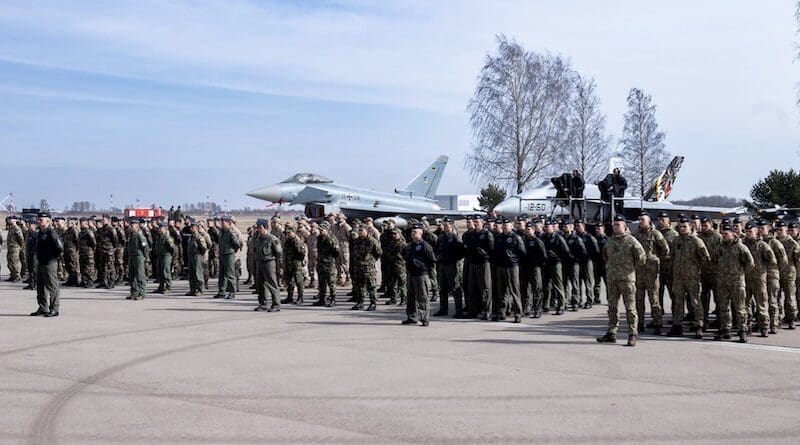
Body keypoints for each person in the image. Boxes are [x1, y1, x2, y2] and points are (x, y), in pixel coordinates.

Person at [597, 215, 646, 346]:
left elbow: (641, 258)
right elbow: (605, 256)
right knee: (612, 307)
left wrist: (629, 268)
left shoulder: (631, 241)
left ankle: (632, 334)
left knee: (630, 308)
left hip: (627, 279)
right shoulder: (610, 241)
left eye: (618, 224)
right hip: (612, 279)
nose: (615, 226)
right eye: (614, 224)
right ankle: (611, 333)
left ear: (624, 226)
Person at [668, 217, 711, 339]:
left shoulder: (696, 241)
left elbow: (705, 258)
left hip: (692, 277)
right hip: (678, 277)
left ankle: (699, 325)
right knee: (678, 302)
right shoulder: (676, 241)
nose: (682, 229)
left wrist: (696, 268)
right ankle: (677, 325)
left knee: (695, 302)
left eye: (684, 227)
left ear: (690, 227)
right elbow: (672, 256)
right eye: (680, 227)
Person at [715, 224, 754, 342]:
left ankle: (743, 330)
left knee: (740, 307)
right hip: (722, 282)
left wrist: (739, 274)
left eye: (726, 234)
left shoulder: (740, 247)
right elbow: (714, 260)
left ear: (734, 234)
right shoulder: (720, 247)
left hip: (737, 282)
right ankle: (725, 330)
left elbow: (750, 263)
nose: (723, 236)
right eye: (722, 234)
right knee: (723, 307)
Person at [632, 212, 669, 335]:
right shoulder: (635, 235)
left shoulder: (656, 234)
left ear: (649, 221)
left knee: (654, 299)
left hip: (652, 272)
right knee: (639, 299)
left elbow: (665, 250)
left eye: (643, 219)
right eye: (639, 220)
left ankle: (657, 323)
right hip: (639, 271)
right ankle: (640, 323)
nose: (640, 222)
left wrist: (655, 259)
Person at [401, 224, 436, 326]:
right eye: (412, 232)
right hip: (411, 274)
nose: (413, 233)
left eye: (415, 232)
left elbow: (432, 260)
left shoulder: (425, 246)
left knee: (422, 297)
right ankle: (412, 317)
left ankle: (424, 318)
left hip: (421, 275)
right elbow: (404, 255)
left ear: (421, 233)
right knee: (410, 297)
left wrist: (424, 269)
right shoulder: (409, 246)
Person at [492, 218, 526, 323]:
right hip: (501, 266)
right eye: (503, 225)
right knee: (501, 291)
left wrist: (515, 261)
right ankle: (501, 312)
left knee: (514, 291)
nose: (504, 227)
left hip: (512, 266)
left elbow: (522, 252)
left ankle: (517, 313)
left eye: (507, 225)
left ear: (511, 226)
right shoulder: (499, 237)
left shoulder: (516, 237)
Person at [30, 212, 63, 317]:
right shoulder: (39, 232)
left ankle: (54, 309)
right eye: (38, 219)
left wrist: (54, 257)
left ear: (48, 221)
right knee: (40, 287)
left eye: (41, 219)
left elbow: (60, 247)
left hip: (50, 263)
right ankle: (43, 307)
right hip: (41, 262)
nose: (39, 221)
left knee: (52, 286)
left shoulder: (51, 232)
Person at [434, 217, 466, 317]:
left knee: (455, 288)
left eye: (447, 225)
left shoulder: (456, 237)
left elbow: (462, 251)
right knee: (442, 288)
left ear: (451, 225)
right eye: (444, 225)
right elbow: (437, 249)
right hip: (443, 265)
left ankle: (459, 310)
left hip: (453, 265)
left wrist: (455, 259)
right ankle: (443, 309)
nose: (445, 227)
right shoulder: (441, 237)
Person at [464, 216, 494, 320]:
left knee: (485, 288)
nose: (475, 223)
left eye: (477, 222)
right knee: (472, 287)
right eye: (474, 222)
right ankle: (473, 310)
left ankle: (486, 310)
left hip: (483, 263)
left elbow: (492, 250)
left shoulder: (487, 234)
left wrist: (485, 254)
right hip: (473, 263)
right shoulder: (471, 235)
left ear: (482, 223)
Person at [350, 225, 382, 311]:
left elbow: (378, 252)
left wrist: (371, 260)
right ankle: (360, 303)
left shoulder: (371, 241)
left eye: (361, 230)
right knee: (359, 285)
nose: (359, 232)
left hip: (368, 267)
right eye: (359, 231)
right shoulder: (357, 241)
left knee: (371, 286)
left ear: (366, 231)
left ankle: (373, 303)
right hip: (358, 267)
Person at [253, 219, 282, 312]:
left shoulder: (272, 238)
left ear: (265, 228)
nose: (258, 229)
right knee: (260, 284)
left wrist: (276, 262)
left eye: (260, 227)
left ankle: (276, 304)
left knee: (272, 283)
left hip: (269, 262)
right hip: (260, 262)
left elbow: (278, 251)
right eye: (257, 227)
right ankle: (263, 303)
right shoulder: (258, 238)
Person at [313, 222, 340, 307]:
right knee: (321, 283)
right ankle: (321, 299)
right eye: (320, 229)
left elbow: (337, 252)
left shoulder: (331, 239)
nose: (321, 231)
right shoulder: (319, 238)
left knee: (331, 282)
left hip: (329, 264)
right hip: (321, 263)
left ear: (327, 229)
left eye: (323, 229)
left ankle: (333, 299)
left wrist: (330, 259)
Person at [215, 216, 241, 300]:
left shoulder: (231, 232)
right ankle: (221, 291)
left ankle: (232, 292)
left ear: (228, 223)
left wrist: (232, 251)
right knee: (221, 274)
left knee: (230, 274)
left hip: (229, 254)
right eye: (221, 222)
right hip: (222, 254)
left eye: (223, 222)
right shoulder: (221, 232)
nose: (222, 224)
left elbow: (236, 244)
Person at [281, 226, 306, 304]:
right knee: (289, 281)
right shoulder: (288, 241)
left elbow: (302, 252)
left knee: (299, 281)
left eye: (289, 233)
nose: (288, 234)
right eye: (287, 233)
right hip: (289, 263)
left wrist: (300, 261)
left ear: (293, 232)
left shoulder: (297, 241)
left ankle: (300, 297)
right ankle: (289, 297)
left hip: (296, 264)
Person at [126, 218, 149, 300]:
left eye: (131, 225)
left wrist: (146, 258)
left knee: (140, 275)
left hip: (139, 257)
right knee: (132, 276)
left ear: (136, 226)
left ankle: (142, 293)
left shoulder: (140, 235)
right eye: (130, 225)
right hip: (132, 257)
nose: (130, 227)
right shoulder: (131, 235)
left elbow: (145, 247)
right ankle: (134, 293)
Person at [185, 221, 207, 296]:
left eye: (193, 227)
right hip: (191, 256)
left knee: (198, 274)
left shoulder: (199, 237)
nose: (191, 229)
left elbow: (204, 247)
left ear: (197, 228)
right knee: (192, 274)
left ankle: (200, 289)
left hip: (197, 256)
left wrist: (200, 254)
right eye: (191, 227)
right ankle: (193, 289)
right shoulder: (191, 237)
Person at [154, 222, 176, 294]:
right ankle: (161, 287)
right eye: (159, 228)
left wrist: (171, 257)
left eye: (160, 228)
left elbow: (173, 248)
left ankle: (168, 287)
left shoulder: (167, 237)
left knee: (166, 271)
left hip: (166, 255)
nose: (159, 229)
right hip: (160, 255)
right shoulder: (159, 237)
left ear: (165, 229)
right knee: (160, 271)